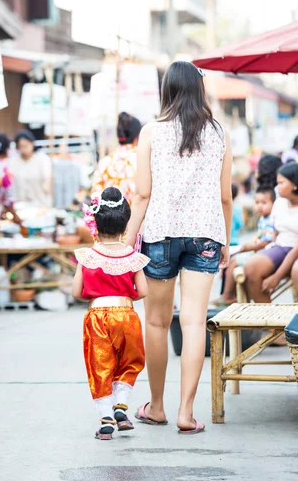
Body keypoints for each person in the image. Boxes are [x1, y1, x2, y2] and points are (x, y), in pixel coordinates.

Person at [124, 61, 233, 434]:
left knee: (155, 321)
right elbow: (225, 197)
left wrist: (125, 243)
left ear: (166, 89)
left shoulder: (151, 132)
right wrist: (226, 242)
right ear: (198, 88)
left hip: (160, 234)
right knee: (193, 322)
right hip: (205, 235)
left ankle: (156, 406)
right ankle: (186, 413)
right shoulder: (218, 133)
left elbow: (142, 194)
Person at [72, 187, 148, 440]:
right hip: (126, 315)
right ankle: (121, 406)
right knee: (130, 361)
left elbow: (76, 291)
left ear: (95, 224)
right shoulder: (132, 256)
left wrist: (95, 294)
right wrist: (125, 296)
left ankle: (105, 418)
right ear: (125, 226)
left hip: (97, 316)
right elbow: (143, 291)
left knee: (100, 364)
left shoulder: (88, 256)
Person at [211, 187, 276, 307]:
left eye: (264, 203)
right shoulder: (263, 219)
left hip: (264, 253)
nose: (260, 206)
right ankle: (229, 295)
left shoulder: (271, 220)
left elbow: (267, 241)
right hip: (253, 250)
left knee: (235, 261)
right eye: (257, 203)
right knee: (232, 261)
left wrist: (247, 246)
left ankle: (229, 296)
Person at [245, 162, 298, 302]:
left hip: (296, 249)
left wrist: (277, 277)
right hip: (281, 246)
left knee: (297, 270)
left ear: (295, 184)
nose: (277, 187)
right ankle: (268, 320)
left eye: (281, 183)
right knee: (251, 267)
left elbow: (296, 249)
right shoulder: (279, 203)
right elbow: (274, 234)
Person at [92, 112, 142, 204]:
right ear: (138, 136)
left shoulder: (105, 162)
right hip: (138, 217)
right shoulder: (143, 160)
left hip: (111, 217)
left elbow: (95, 198)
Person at [11, 130, 52, 207]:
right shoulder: (14, 161)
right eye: (21, 146)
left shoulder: (42, 158)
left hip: (40, 203)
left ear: (32, 144)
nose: (24, 149)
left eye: (26, 145)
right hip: (20, 204)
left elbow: (47, 179)